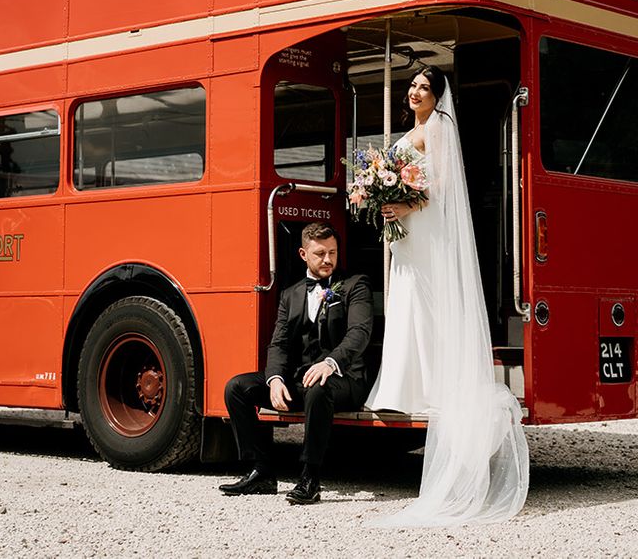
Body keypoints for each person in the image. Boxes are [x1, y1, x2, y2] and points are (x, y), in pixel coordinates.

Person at [364, 65, 529, 526]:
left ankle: (435, 386)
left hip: (427, 229)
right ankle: (403, 385)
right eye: (413, 86)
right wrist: (383, 199)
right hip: (409, 232)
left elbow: (440, 188)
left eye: (424, 87)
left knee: (427, 300)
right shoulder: (411, 129)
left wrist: (403, 203)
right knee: (408, 299)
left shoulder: (438, 127)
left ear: (437, 96)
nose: (416, 92)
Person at [219, 222, 373, 504]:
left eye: (333, 252)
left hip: (344, 380)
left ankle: (309, 477)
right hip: (299, 381)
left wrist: (330, 362)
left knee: (318, 388)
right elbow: (278, 343)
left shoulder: (355, 285)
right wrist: (275, 379)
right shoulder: (290, 294)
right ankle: (261, 471)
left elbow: (359, 333)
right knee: (237, 387)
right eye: (320, 254)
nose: (328, 260)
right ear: (303, 254)